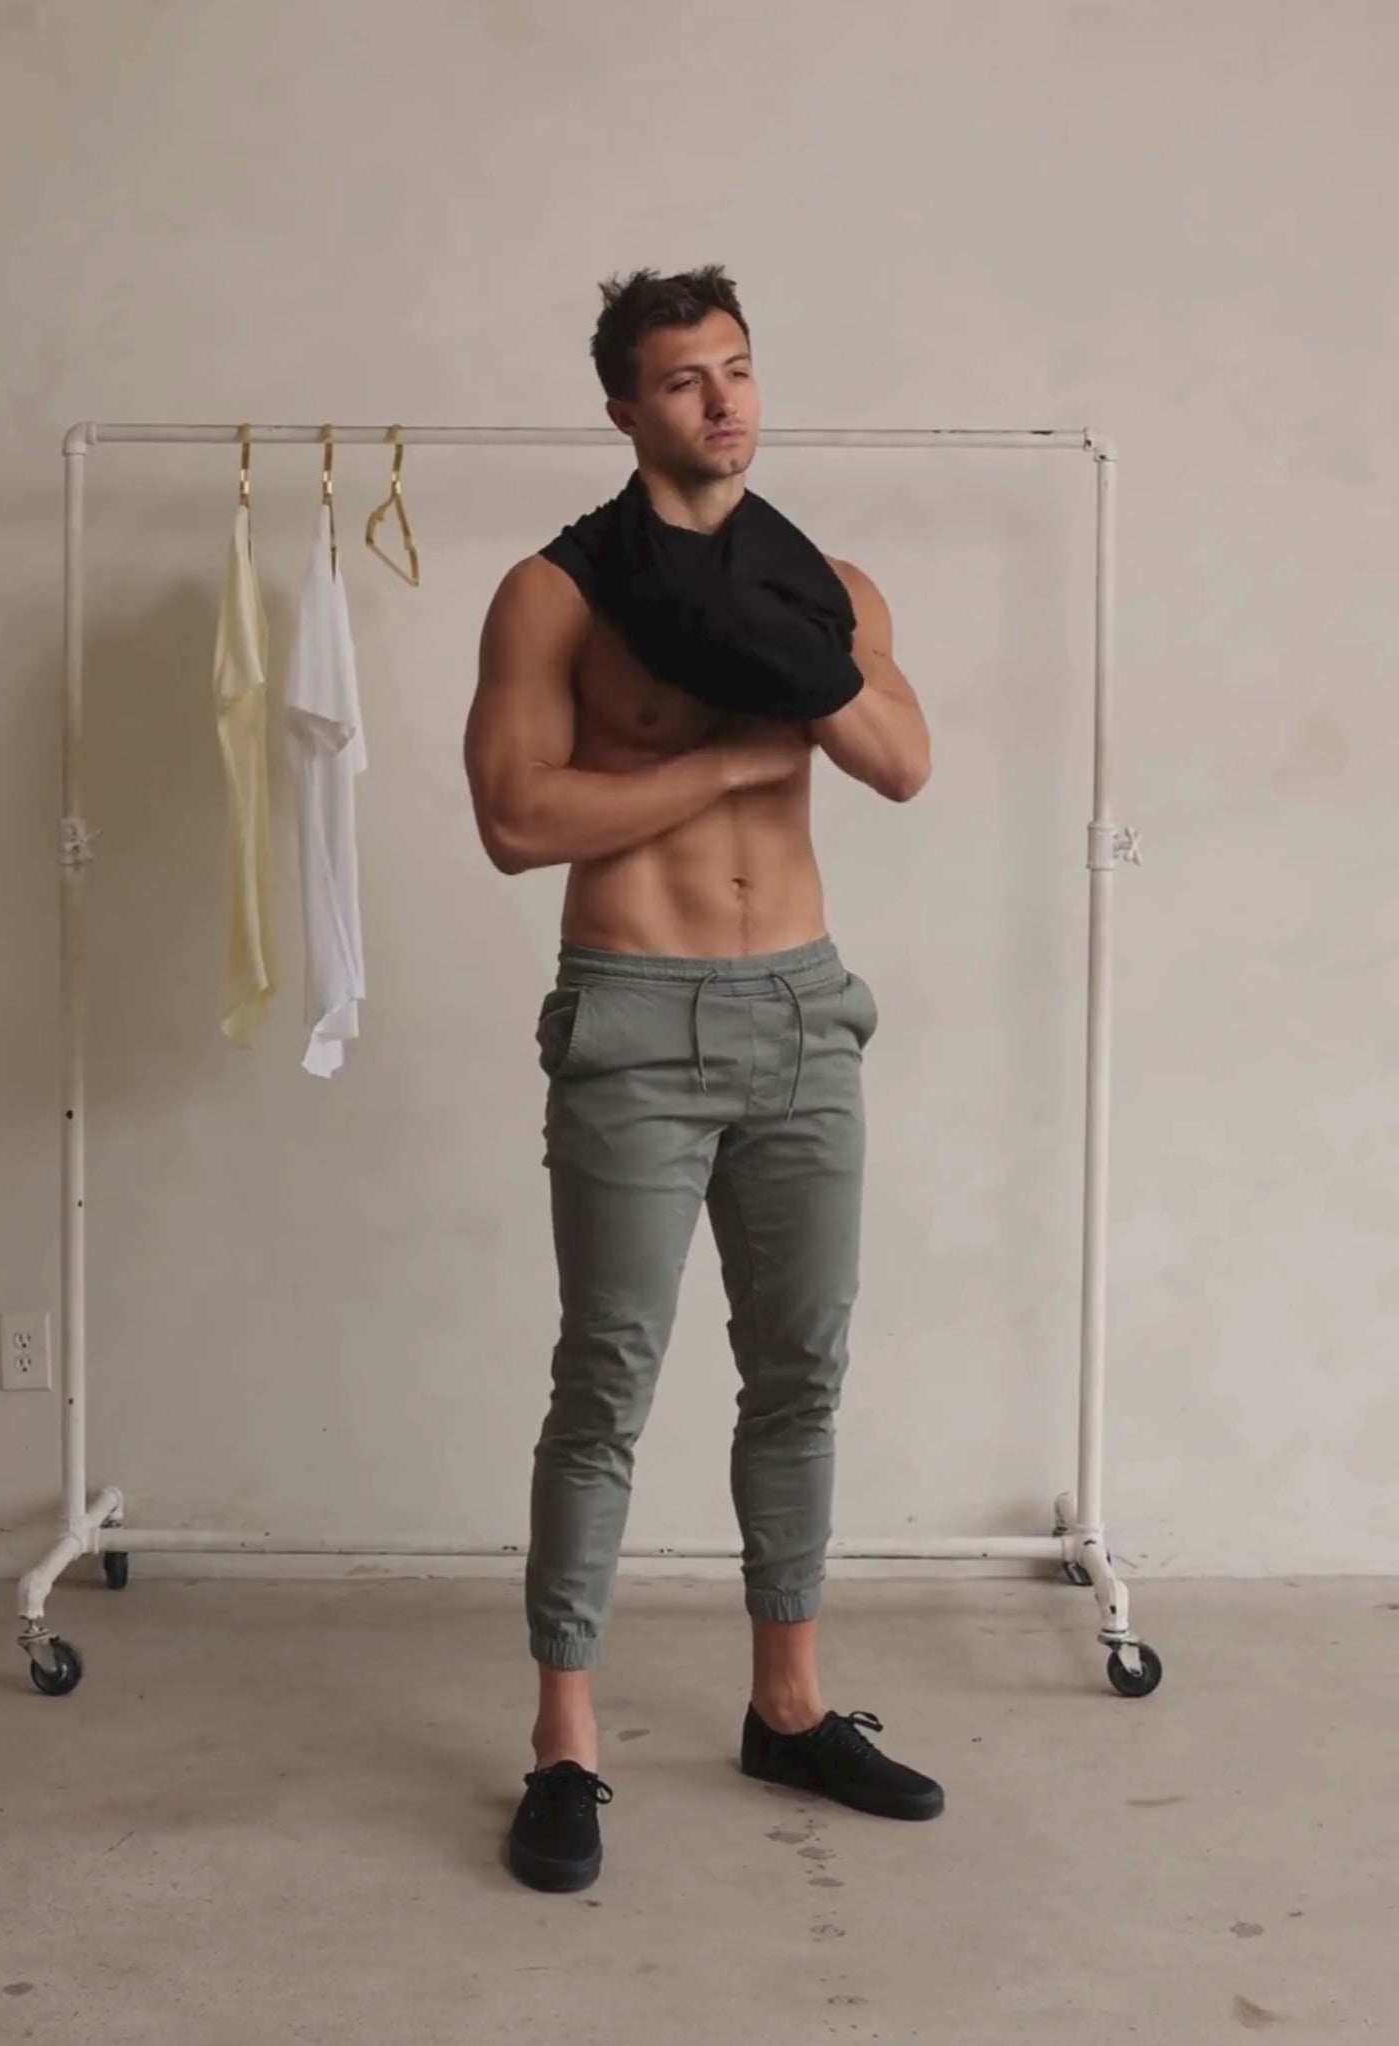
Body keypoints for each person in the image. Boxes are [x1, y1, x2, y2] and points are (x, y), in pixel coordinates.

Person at [464, 266, 941, 1895]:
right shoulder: (557, 595)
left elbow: (902, 761)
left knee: (800, 1372)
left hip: (803, 1011)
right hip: (635, 1015)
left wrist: (790, 659)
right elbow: (516, 821)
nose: (723, 400)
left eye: (738, 368)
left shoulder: (827, 585)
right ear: (624, 407)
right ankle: (564, 1742)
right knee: (607, 1381)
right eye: (684, 379)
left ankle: (788, 1706)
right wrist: (730, 756)